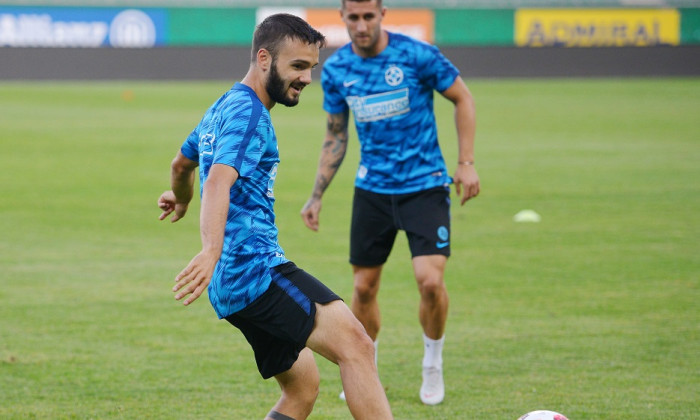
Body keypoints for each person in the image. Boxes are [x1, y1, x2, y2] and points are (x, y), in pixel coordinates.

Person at [158, 13, 393, 420]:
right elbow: (216, 182)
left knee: (302, 388)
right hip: (255, 272)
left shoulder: (223, 106)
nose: (306, 78)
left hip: (231, 285)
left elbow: (182, 164)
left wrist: (180, 199)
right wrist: (210, 249)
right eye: (298, 67)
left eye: (311, 67)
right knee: (357, 345)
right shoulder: (249, 114)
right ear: (264, 58)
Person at [300, 0, 480, 406]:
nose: (361, 25)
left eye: (368, 16)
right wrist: (316, 194)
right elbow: (336, 135)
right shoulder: (338, 70)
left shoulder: (416, 55)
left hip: (425, 185)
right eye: (353, 18)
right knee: (363, 288)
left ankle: (432, 363)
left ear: (382, 15)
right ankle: (366, 369)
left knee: (430, 282)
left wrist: (465, 163)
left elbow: (463, 98)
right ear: (342, 19)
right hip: (373, 191)